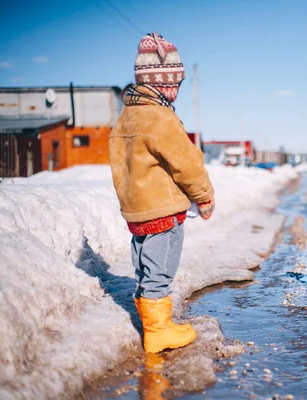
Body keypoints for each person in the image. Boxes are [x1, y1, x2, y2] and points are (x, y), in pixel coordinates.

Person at [109, 32, 215, 353]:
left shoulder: (125, 117)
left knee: (144, 266)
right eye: (176, 84)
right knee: (161, 268)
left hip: (137, 211)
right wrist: (204, 196)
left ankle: (153, 323)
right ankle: (158, 332)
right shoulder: (161, 118)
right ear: (164, 84)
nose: (177, 90)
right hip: (162, 211)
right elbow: (187, 162)